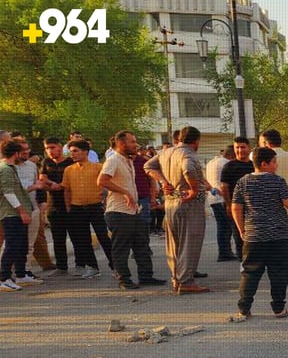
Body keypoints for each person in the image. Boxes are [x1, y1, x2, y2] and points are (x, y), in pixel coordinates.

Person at [229, 146, 288, 320]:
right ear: (264, 163)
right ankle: (278, 308)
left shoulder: (242, 182)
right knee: (279, 272)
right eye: (274, 162)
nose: (276, 165)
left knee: (250, 272)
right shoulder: (277, 181)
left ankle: (244, 309)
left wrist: (241, 229)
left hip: (254, 236)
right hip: (278, 236)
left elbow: (236, 208)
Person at [97, 130, 165, 290]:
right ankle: (124, 279)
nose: (136, 145)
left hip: (134, 210)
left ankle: (146, 276)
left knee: (141, 244)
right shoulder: (113, 160)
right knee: (121, 247)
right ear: (121, 143)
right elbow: (102, 180)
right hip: (119, 212)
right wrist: (125, 192)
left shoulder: (128, 161)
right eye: (132, 142)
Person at [144, 125, 208, 294]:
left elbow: (148, 166)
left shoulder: (166, 152)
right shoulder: (188, 154)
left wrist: (164, 182)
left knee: (174, 243)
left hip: (170, 202)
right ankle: (186, 281)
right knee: (190, 242)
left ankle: (176, 279)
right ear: (196, 141)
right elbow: (188, 169)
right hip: (189, 202)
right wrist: (194, 189)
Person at [62, 140, 113, 279]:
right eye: (71, 151)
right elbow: (67, 190)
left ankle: (115, 265)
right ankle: (92, 266)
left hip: (95, 206)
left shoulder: (98, 167)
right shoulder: (69, 170)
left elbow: (107, 186)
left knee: (103, 236)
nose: (72, 154)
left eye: (76, 151)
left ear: (85, 152)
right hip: (77, 207)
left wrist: (106, 202)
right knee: (83, 239)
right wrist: (69, 208)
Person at [259, 129, 288, 285]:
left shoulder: (261, 158)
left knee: (273, 241)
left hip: (270, 208)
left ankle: (278, 273)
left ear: (266, 142)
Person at [1, 140, 42, 290]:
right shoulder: (5, 169)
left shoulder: (10, 168)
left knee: (21, 245)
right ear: (16, 153)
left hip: (18, 212)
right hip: (11, 214)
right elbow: (8, 192)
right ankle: (4, 277)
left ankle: (21, 274)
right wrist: (22, 211)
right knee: (12, 245)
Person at [38, 137, 73, 273]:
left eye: (53, 147)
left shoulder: (70, 162)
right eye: (47, 148)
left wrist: (62, 185)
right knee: (58, 238)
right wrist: (52, 185)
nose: (50, 151)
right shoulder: (46, 162)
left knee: (77, 236)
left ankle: (82, 264)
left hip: (70, 203)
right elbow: (42, 179)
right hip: (54, 204)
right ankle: (61, 266)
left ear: (60, 147)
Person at [220, 137, 254, 260]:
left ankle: (254, 260)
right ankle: (242, 262)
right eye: (237, 147)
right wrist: (229, 205)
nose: (240, 150)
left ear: (249, 148)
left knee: (253, 234)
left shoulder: (253, 166)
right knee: (239, 235)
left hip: (252, 207)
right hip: (236, 207)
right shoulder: (229, 167)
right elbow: (224, 187)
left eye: (243, 147)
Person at [206, 144, 236, 262]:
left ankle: (224, 252)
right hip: (223, 198)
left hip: (213, 198)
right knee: (229, 227)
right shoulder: (227, 164)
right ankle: (226, 252)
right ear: (232, 155)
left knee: (222, 226)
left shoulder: (211, 162)